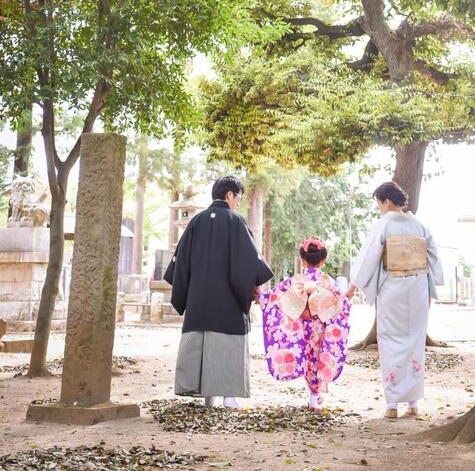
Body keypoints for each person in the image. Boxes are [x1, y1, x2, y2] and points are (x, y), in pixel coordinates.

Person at [164, 175, 273, 408]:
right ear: (230, 194)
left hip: (198, 301)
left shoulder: (195, 222)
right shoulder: (236, 221)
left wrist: (187, 291)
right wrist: (253, 288)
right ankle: (229, 397)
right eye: (238, 198)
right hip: (228, 303)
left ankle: (207, 398)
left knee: (201, 342)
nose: (238, 203)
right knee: (228, 344)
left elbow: (180, 261)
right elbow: (248, 261)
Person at [347, 180, 444, 419]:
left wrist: (354, 285)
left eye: (379, 204)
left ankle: (392, 405)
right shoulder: (420, 225)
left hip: (394, 287)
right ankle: (413, 403)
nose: (379, 208)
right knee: (414, 341)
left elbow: (369, 257)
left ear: (387, 202)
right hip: (418, 286)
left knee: (390, 340)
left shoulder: (384, 224)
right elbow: (433, 256)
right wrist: (433, 283)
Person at [258, 237, 351, 410]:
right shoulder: (327, 281)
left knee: (308, 359)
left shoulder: (296, 280)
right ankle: (315, 396)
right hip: (320, 326)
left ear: (302, 260)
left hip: (302, 326)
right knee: (317, 357)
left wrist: (261, 296)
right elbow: (343, 302)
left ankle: (314, 395)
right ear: (323, 260)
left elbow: (274, 297)